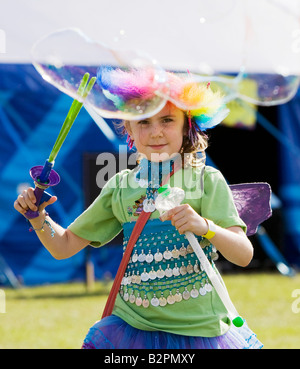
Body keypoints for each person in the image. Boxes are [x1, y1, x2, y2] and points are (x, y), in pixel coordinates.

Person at [14, 69, 263, 349]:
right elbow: (64, 246)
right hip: (131, 329)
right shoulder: (120, 186)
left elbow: (244, 255)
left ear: (187, 126)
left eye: (167, 120)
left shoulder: (207, 180)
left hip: (201, 331)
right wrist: (38, 217)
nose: (156, 131)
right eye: (143, 121)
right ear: (129, 129)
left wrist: (205, 227)